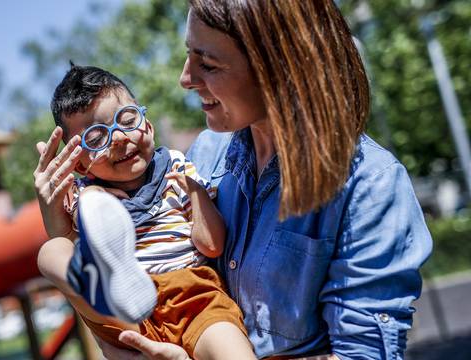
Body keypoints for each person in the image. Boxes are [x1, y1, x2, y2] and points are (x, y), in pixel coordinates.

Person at [36, 0, 432, 358]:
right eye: (188, 55)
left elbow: (364, 355)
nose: (185, 78)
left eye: (208, 63)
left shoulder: (370, 185)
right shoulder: (207, 154)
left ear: (278, 67)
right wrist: (58, 218)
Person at [34, 64, 256, 359]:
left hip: (192, 298)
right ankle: (104, 288)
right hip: (124, 314)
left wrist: (195, 192)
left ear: (147, 124)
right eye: (96, 138)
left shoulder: (176, 169)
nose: (118, 138)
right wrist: (86, 199)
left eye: (127, 120)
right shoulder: (83, 196)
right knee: (51, 250)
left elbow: (212, 245)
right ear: (79, 163)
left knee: (231, 350)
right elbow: (67, 239)